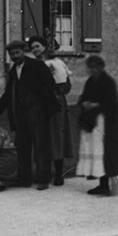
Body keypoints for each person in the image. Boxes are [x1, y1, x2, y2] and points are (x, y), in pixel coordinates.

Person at [0, 39, 58, 189]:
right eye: (12, 54)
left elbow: (49, 86)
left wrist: (42, 108)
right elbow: (8, 95)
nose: (15, 56)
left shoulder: (37, 66)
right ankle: (24, 178)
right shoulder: (13, 71)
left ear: (24, 51)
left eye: (17, 52)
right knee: (22, 146)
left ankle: (43, 178)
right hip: (20, 115)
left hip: (38, 113)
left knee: (41, 146)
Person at [75, 55, 118, 196]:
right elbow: (84, 96)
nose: (93, 70)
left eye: (96, 67)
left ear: (101, 67)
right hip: (92, 121)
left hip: (104, 122)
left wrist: (95, 105)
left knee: (105, 151)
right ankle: (102, 184)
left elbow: (111, 103)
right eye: (90, 68)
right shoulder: (90, 81)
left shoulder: (108, 82)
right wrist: (83, 102)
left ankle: (109, 184)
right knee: (97, 151)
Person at [28, 35, 73, 186]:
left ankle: (59, 174)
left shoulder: (56, 63)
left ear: (44, 47)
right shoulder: (33, 65)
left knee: (56, 137)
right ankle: (44, 174)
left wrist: (55, 90)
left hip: (55, 104)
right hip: (40, 106)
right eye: (32, 48)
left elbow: (66, 85)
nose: (35, 50)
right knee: (42, 139)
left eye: (37, 46)